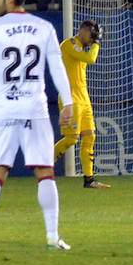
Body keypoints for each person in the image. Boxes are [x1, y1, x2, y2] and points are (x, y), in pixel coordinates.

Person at [0, 0, 74, 252]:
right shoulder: (44, 27)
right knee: (45, 172)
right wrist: (68, 104)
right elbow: (57, 70)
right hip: (34, 108)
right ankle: (52, 237)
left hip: (2, 107)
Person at [53, 19, 111, 189]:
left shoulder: (80, 47)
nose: (92, 40)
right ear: (83, 31)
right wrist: (97, 43)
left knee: (90, 136)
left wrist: (94, 43)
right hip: (70, 98)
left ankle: (89, 179)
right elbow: (90, 59)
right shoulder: (69, 44)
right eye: (91, 36)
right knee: (71, 139)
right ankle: (44, 167)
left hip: (83, 98)